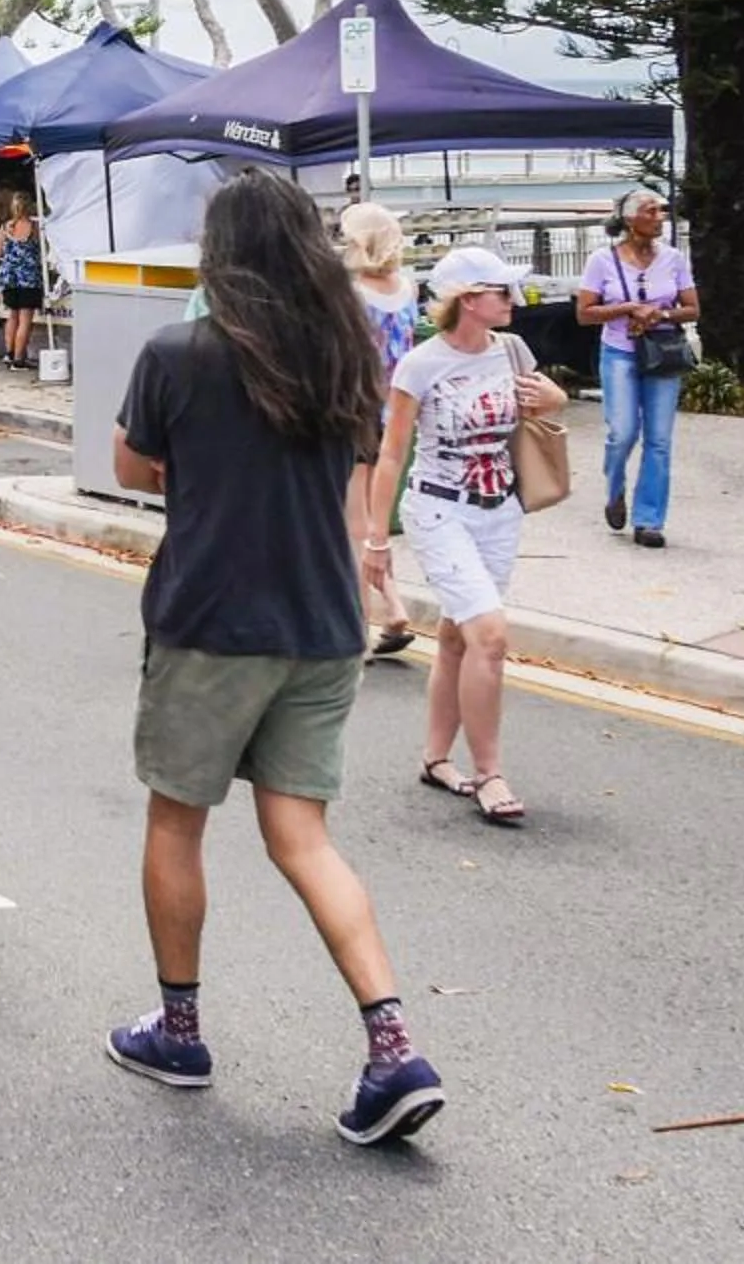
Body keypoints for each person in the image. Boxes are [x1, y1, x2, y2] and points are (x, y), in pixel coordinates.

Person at [107, 170, 447, 1147]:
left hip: (211, 621)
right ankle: (393, 1046)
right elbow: (351, 493)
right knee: (303, 838)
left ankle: (179, 1033)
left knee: (177, 823)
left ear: (220, 253)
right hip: (323, 625)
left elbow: (131, 466)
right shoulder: (345, 356)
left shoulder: (178, 352)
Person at [368, 246, 569, 829]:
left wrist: (555, 399)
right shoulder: (421, 365)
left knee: (458, 635)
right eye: (502, 291)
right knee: (490, 635)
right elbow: (391, 454)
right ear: (468, 300)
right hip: (439, 511)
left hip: (500, 510)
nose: (513, 300)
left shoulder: (513, 350)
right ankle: (489, 773)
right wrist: (377, 539)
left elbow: (546, 403)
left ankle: (435, 758)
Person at [578, 188, 699, 547]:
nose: (659, 217)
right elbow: (584, 313)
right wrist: (628, 309)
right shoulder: (602, 261)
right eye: (651, 211)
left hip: (662, 352)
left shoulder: (674, 259)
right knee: (623, 432)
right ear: (630, 219)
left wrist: (660, 314)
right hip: (620, 351)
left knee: (659, 439)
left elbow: (692, 308)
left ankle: (649, 520)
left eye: (661, 210)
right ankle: (614, 487)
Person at [336, 203, 422, 658]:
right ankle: (393, 605)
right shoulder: (408, 288)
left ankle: (361, 625)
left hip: (355, 410)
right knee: (375, 523)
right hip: (396, 411)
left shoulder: (351, 294)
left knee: (356, 526)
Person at [0, 195, 44, 370]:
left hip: (9, 278)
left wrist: (11, 258)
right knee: (25, 320)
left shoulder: (5, 227)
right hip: (28, 278)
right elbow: (43, 249)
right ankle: (19, 359)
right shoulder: (34, 227)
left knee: (12, 316)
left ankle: (9, 353)